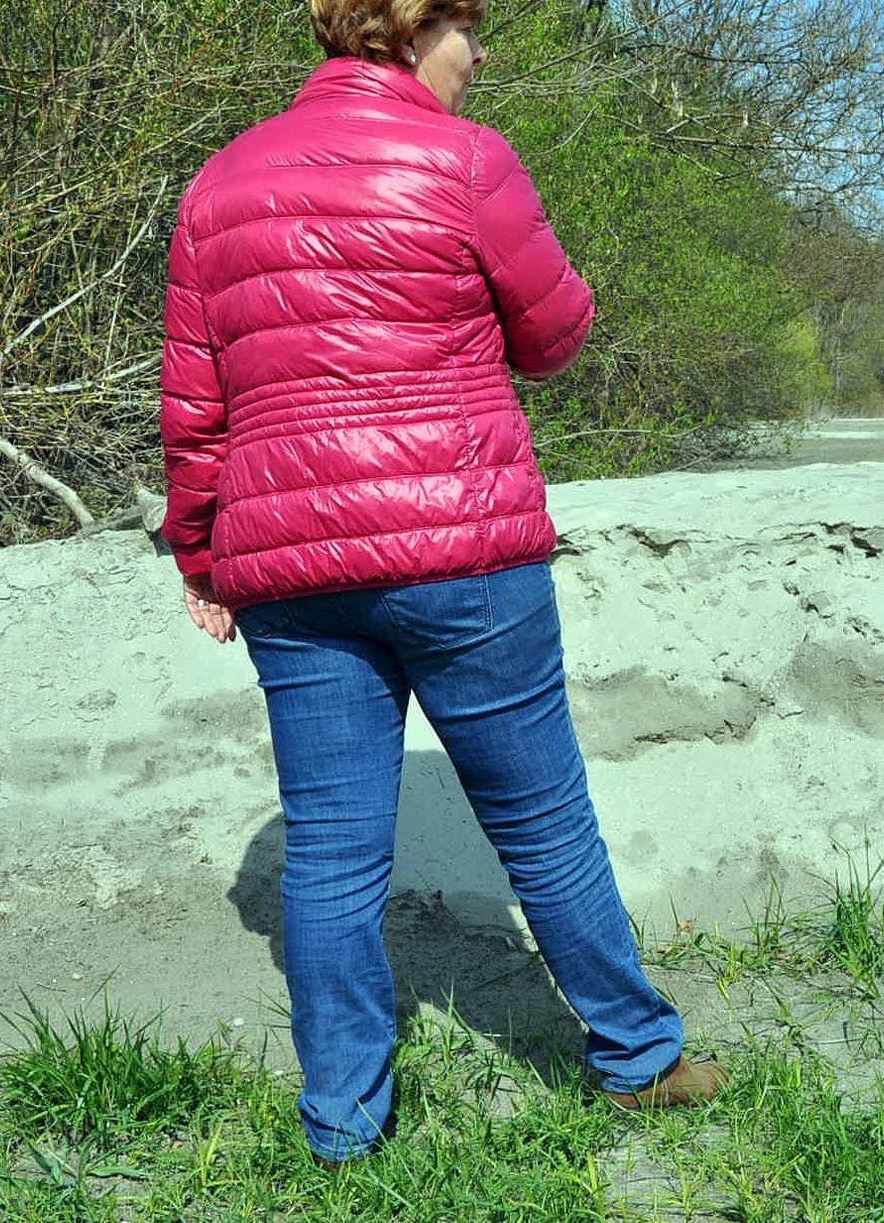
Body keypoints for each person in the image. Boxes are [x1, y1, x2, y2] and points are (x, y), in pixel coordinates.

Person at [157, 0, 727, 1166]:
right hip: (462, 546)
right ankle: (638, 1059)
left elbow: (194, 405)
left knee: (326, 849)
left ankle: (342, 1126)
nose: (480, 54)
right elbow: (557, 332)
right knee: (544, 822)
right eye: (470, 28)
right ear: (411, 28)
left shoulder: (217, 186)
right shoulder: (466, 162)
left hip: (294, 567)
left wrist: (201, 551)